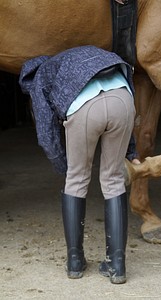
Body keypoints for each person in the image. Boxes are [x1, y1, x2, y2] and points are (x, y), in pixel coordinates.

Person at [19, 45, 139, 284]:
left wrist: (63, 165)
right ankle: (117, 265)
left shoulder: (41, 77)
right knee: (113, 178)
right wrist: (131, 150)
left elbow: (46, 131)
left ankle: (75, 262)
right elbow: (127, 79)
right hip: (123, 99)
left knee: (77, 179)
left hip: (85, 105)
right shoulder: (78, 57)